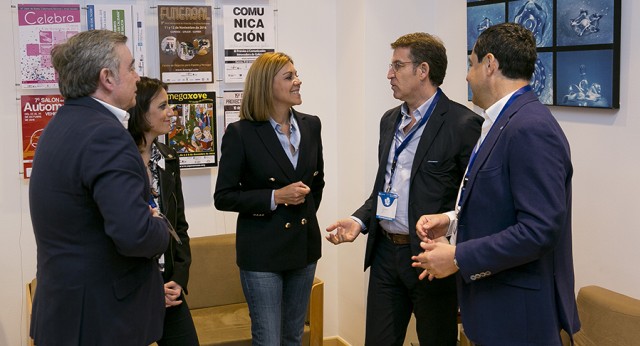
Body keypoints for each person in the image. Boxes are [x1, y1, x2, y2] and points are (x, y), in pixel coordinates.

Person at [411, 23, 581, 345]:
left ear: (490, 65)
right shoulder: (501, 120)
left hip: (517, 316)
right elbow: (499, 205)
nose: (466, 76)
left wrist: (458, 257)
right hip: (495, 307)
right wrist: (450, 221)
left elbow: (538, 229)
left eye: (471, 64)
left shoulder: (529, 127)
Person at [325, 32, 482, 345]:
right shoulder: (389, 121)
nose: (389, 74)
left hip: (428, 258)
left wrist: (454, 251)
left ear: (422, 70)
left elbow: (474, 201)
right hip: (385, 254)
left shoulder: (462, 125)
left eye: (398, 65)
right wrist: (358, 221)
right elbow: (386, 189)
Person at [28, 30, 170, 345]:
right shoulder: (105, 135)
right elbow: (134, 234)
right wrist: (159, 226)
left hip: (69, 313)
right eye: (131, 67)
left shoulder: (61, 124)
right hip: (102, 320)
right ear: (107, 77)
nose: (137, 77)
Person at [214, 52, 325, 345]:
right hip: (262, 253)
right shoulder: (241, 133)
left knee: (293, 337)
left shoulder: (312, 125)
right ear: (266, 85)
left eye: (296, 74)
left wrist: (304, 216)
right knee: (268, 339)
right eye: (289, 77)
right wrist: (275, 197)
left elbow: (318, 183)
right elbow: (224, 197)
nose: (298, 81)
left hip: (303, 248)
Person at [128, 77, 200, 346]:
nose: (171, 111)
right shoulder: (119, 160)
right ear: (141, 112)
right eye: (163, 106)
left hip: (169, 289)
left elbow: (179, 227)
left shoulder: (168, 158)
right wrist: (150, 288)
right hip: (131, 290)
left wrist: (178, 280)